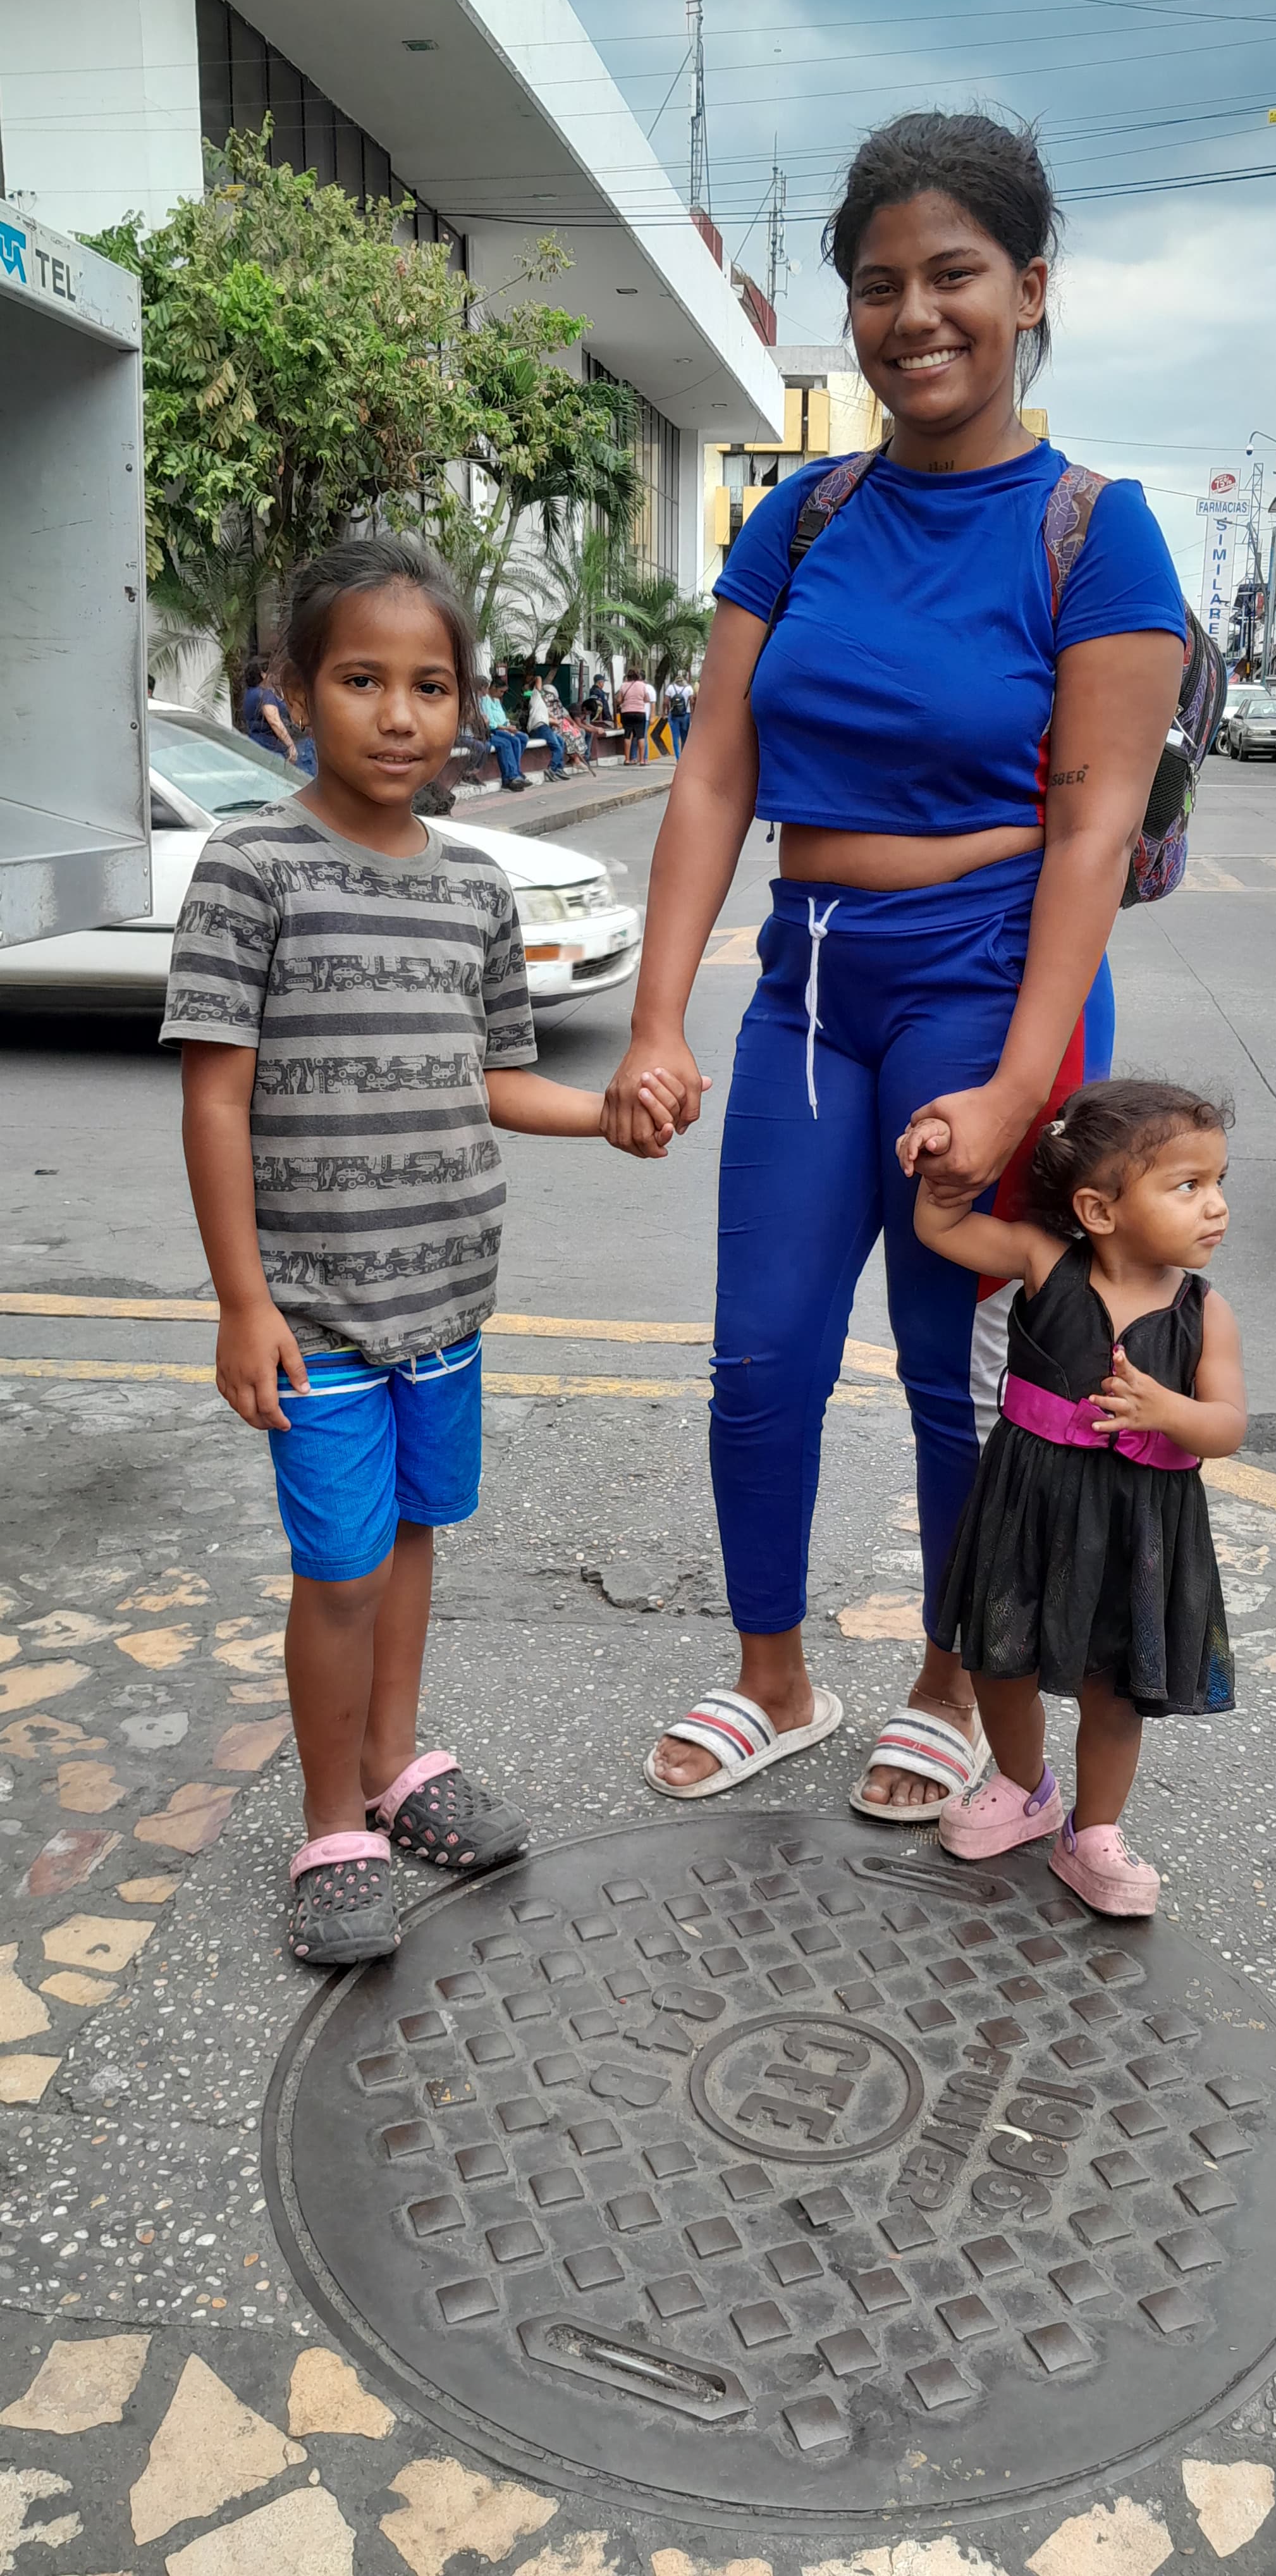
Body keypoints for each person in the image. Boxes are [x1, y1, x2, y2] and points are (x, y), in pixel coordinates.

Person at [603, 109, 1186, 1817]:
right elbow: (716, 768)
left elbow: (1092, 828)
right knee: (763, 1351)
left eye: (954, 276)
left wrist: (1019, 1079)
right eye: (878, 285)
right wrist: (656, 1017)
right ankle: (771, 1673)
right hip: (810, 978)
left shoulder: (1096, 530)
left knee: (958, 1368)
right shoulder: (799, 522)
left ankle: (949, 1672)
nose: (913, 316)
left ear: (1029, 291)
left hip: (994, 976)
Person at [161, 536, 683, 1968]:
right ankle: (334, 1821)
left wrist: (607, 1115)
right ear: (292, 692)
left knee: (407, 1536)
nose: (400, 713)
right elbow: (214, 1090)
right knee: (335, 1565)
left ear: (465, 701)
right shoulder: (252, 863)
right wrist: (242, 1300)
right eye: (362, 679)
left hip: (446, 1300)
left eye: (432, 684)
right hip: (313, 1312)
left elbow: (494, 1077)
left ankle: (397, 1757)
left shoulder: (472, 887)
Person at [902, 1080, 1245, 1914]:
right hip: (1030, 1509)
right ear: (1097, 1209)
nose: (1217, 1207)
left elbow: (1228, 1425)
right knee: (1001, 1660)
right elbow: (939, 1228)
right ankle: (1025, 1789)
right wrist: (941, 1157)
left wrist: (1168, 1413)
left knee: (1116, 1684)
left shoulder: (1206, 1312)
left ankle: (1095, 1832)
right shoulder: (1044, 1263)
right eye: (1188, 1186)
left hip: (1140, 1526)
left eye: (1218, 1182)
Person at [242, 654, 298, 763]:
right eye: (272, 673)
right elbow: (275, 721)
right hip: (270, 750)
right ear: (264, 675)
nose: (274, 676)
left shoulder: (250, 694)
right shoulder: (265, 695)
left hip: (256, 744)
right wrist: (291, 745)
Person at [525, 674, 568, 780]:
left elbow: (549, 716)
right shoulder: (536, 696)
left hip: (544, 727)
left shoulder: (541, 704)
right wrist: (532, 681)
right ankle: (552, 769)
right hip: (540, 727)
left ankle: (559, 768)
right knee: (557, 747)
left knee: (561, 741)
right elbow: (539, 678)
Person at [617, 665, 655, 763]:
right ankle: (642, 760)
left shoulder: (623, 685)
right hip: (640, 713)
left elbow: (619, 700)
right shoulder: (642, 686)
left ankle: (627, 759)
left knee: (628, 735)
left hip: (626, 713)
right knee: (641, 736)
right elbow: (647, 699)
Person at [663, 672, 694, 758]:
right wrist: (692, 713)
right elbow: (692, 701)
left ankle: (678, 758)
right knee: (685, 737)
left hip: (674, 716)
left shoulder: (670, 688)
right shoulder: (689, 688)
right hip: (686, 715)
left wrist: (665, 712)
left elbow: (665, 702)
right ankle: (684, 757)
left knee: (675, 737)